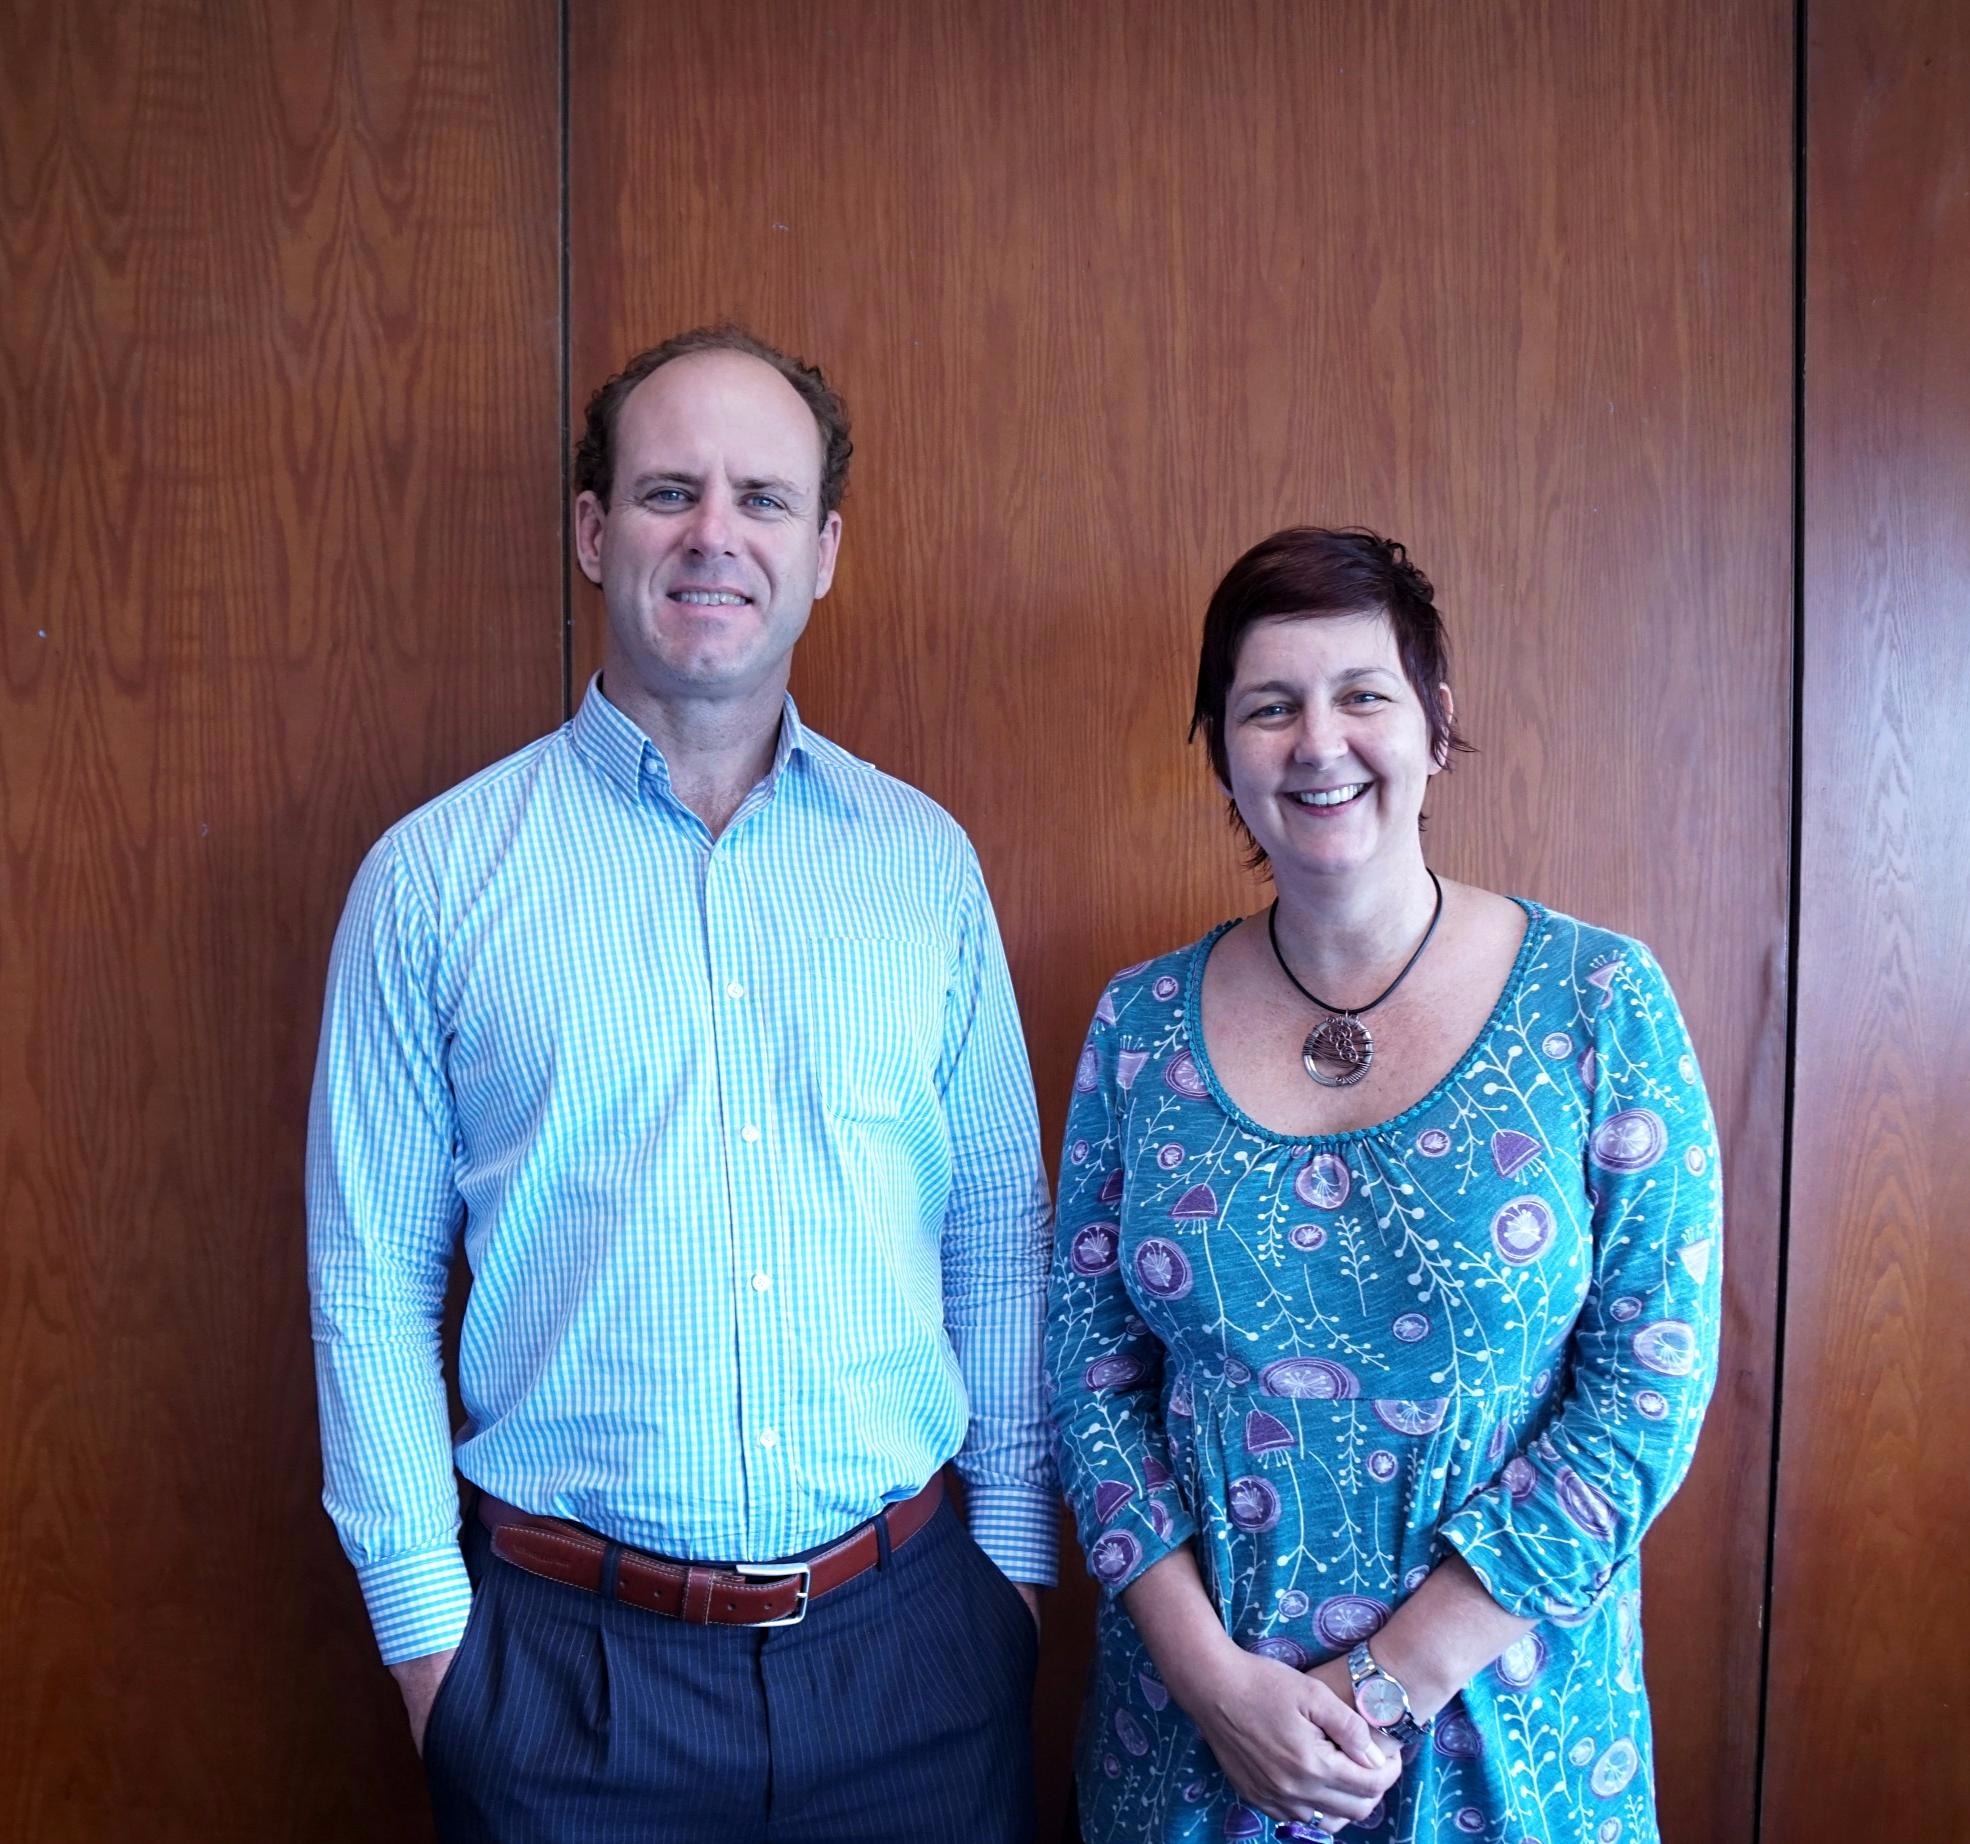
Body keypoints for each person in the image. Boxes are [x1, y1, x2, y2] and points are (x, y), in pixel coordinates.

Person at [307, 325, 1052, 1844]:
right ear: (594, 532)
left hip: (912, 1661)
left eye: (763, 499)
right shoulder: (436, 878)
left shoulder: (923, 866)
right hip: (560, 1688)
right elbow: (364, 1280)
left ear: (825, 549)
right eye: (667, 492)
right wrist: (431, 1655)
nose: (715, 534)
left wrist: (1016, 1585)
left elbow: (996, 1234)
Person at [1046, 528, 1721, 1843]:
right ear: (1219, 748)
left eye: (1362, 694)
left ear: (1433, 725)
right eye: (1267, 705)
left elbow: (1651, 1378)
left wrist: (1387, 1684)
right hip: (1193, 1754)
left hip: (1508, 1746)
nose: (1317, 741)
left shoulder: (1595, 1003)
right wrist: (1210, 1683)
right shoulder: (1135, 1026)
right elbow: (1086, 1370)